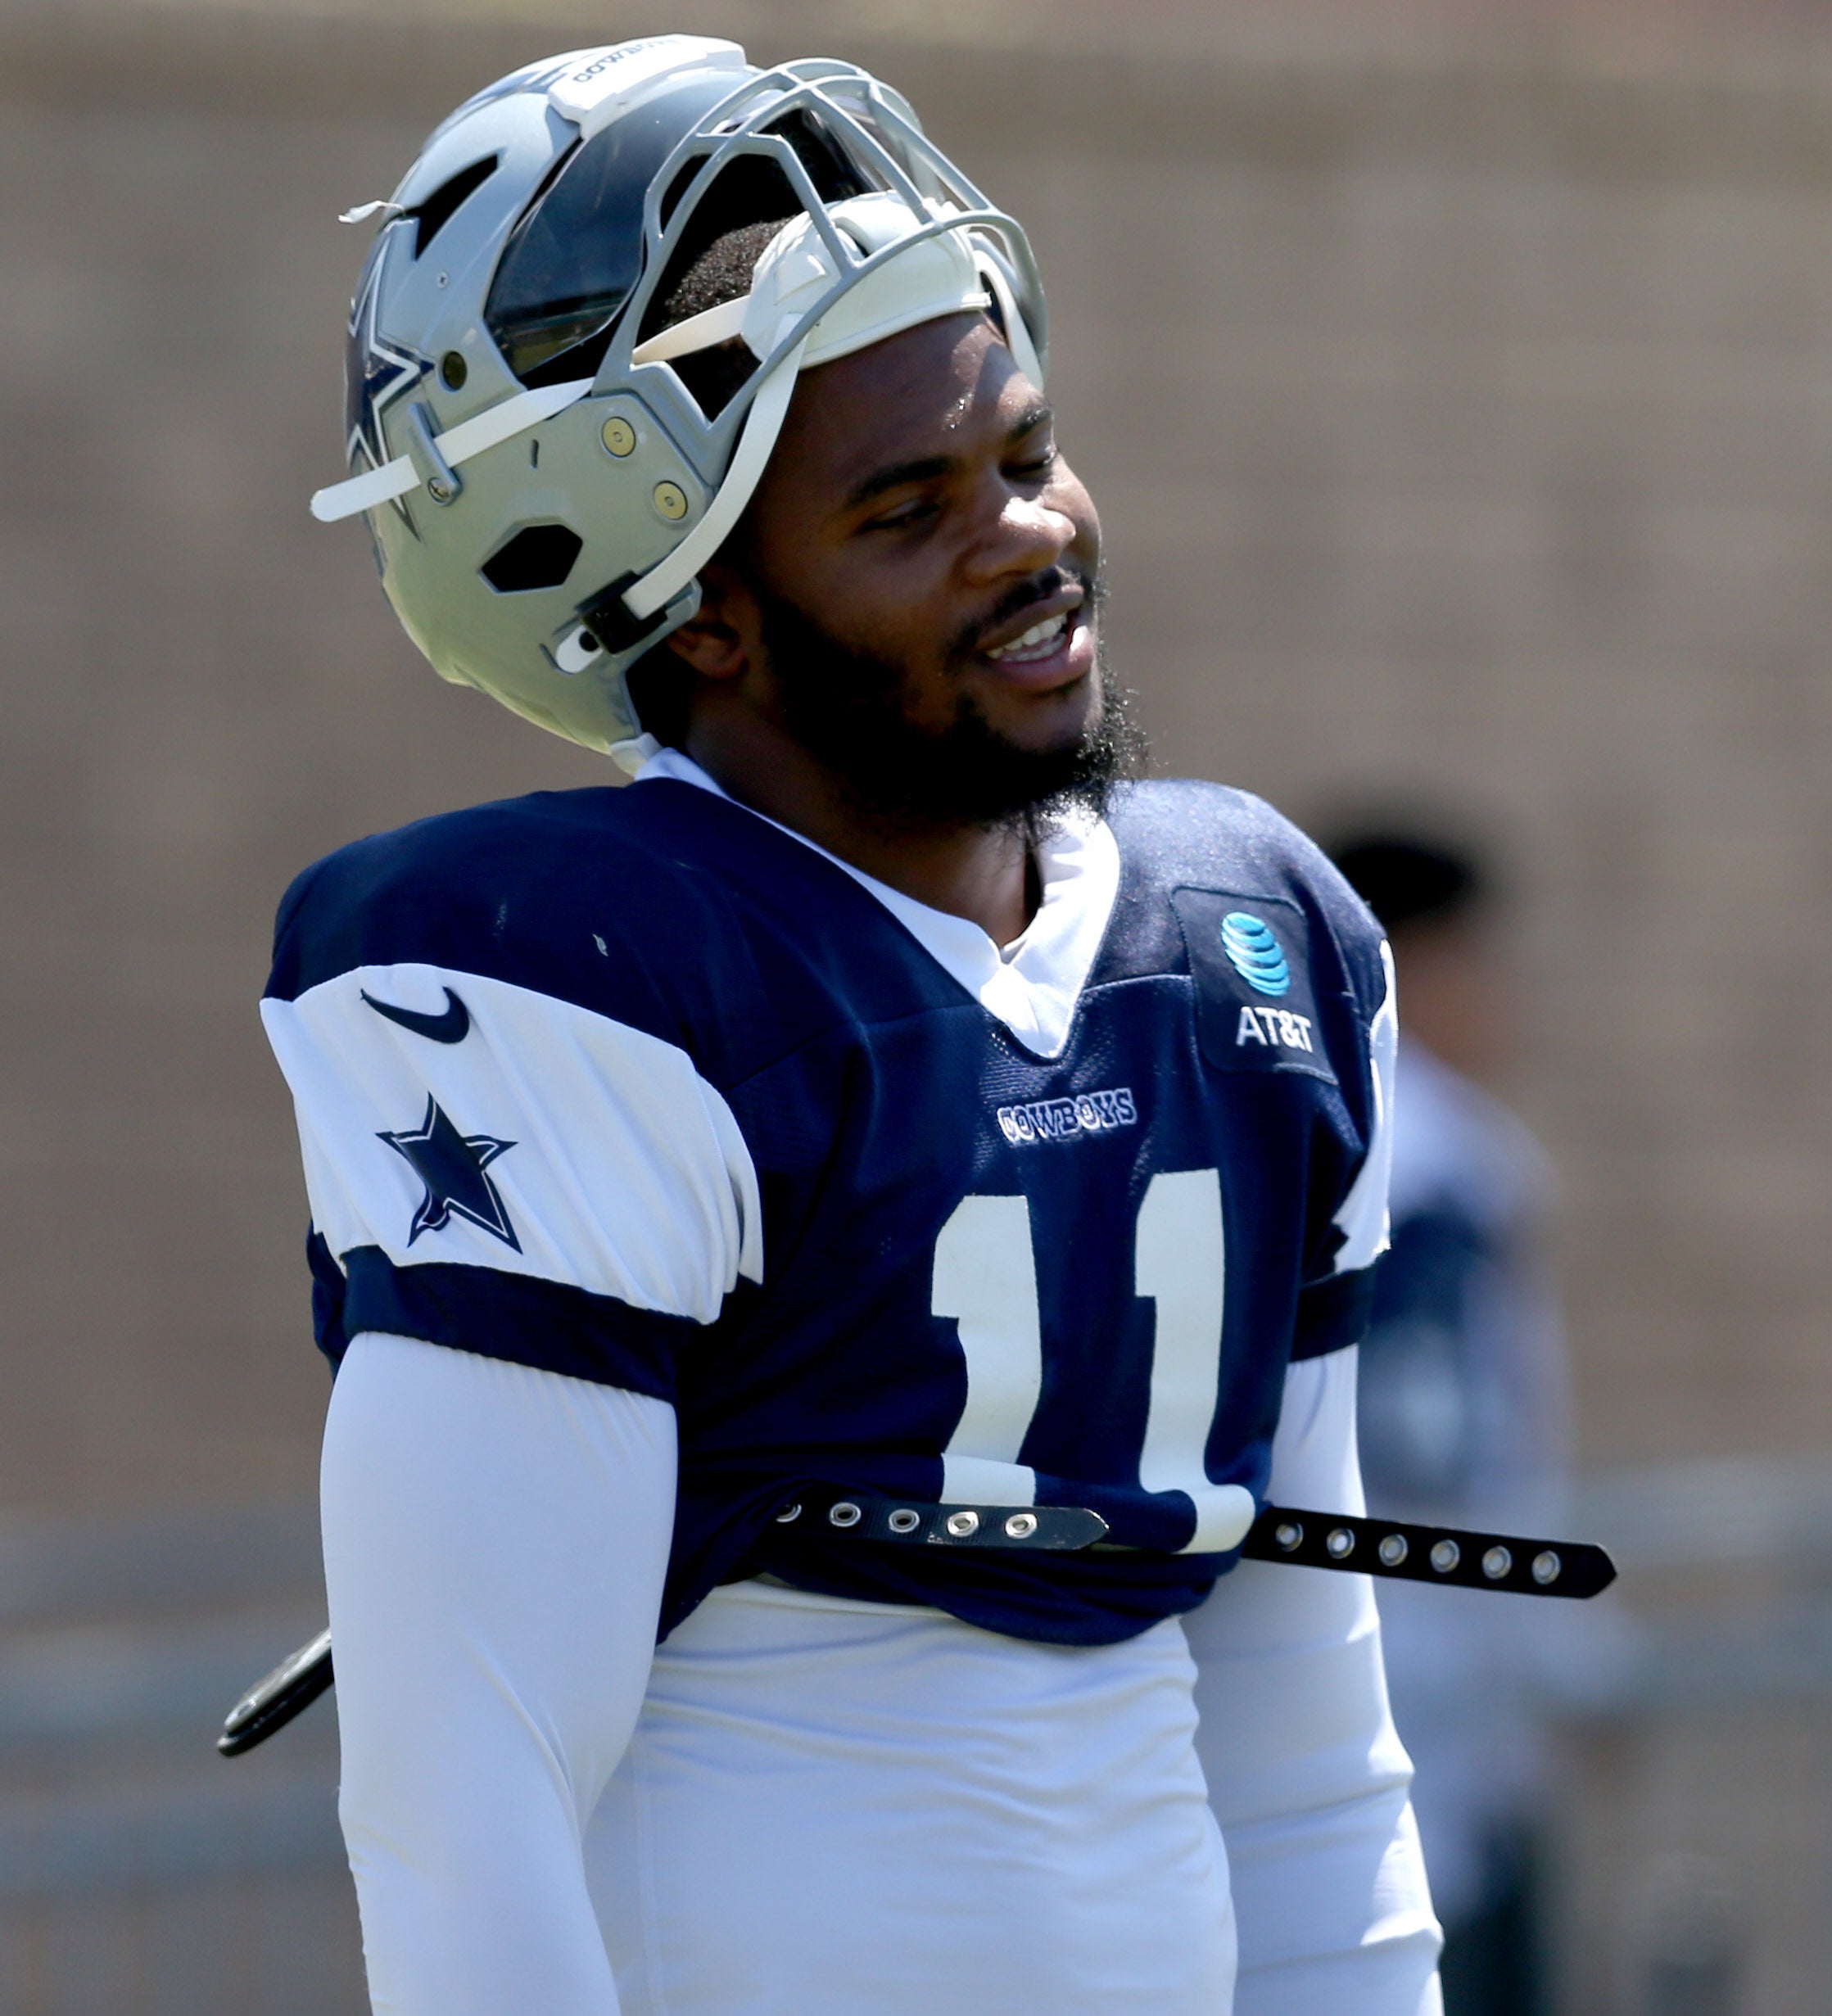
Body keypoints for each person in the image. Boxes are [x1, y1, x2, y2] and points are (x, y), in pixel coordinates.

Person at [265, 38, 1435, 2014]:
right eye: (908, 505)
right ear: (699, 609)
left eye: (1024, 452)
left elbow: (1308, 1723)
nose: (1031, 536)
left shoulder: (1248, 945)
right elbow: (464, 1802)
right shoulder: (586, 985)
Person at [1328, 829, 1577, 2016]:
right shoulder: (1438, 1158)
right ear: (1416, 963)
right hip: (1431, 1676)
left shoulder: (1299, 1118)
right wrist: (1564, 1651)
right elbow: (1438, 1438)